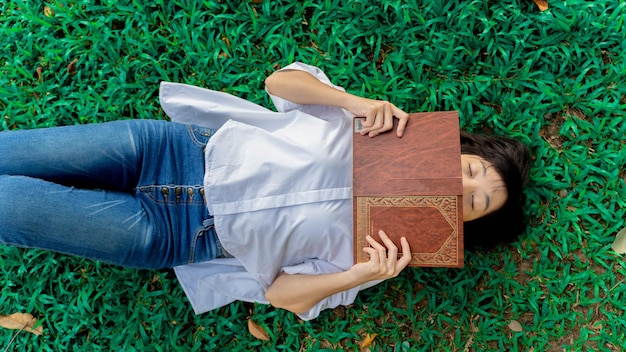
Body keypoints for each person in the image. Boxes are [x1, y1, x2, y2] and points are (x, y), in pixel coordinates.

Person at [0, 62, 530, 320]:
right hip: (172, 149)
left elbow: (280, 295)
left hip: (177, 233)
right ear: (453, 149)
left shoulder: (382, 254)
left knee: (12, 206)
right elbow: (280, 84)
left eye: (475, 202)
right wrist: (351, 101)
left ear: (464, 227)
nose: (459, 185)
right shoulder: (376, 129)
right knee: (11, 155)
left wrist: (358, 274)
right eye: (468, 168)